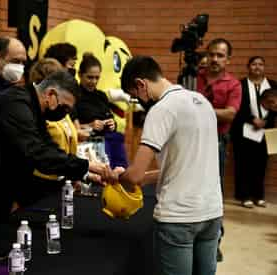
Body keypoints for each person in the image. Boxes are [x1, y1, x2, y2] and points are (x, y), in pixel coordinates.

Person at [107, 55, 223, 275]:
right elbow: (180, 167)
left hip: (178, 218)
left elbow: (134, 176)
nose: (139, 102)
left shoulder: (162, 110)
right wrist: (139, 177)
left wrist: (119, 176)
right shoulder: (202, 102)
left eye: (135, 96)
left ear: (141, 84)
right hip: (212, 213)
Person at [0, 71, 109, 220]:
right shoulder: (17, 104)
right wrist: (86, 166)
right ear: (51, 94)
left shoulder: (32, 106)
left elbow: (48, 146)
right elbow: (37, 153)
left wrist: (85, 172)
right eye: (64, 108)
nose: (64, 114)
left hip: (4, 186)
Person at [196, 38, 242, 262]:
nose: (215, 59)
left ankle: (214, 242)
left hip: (217, 142)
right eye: (212, 54)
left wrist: (198, 107)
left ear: (228, 60)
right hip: (192, 140)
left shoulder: (233, 84)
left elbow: (230, 114)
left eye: (220, 55)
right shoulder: (195, 78)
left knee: (214, 192)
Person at [231, 56, 277, 208]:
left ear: (264, 67)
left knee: (261, 164)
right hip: (245, 130)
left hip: (266, 130)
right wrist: (252, 119)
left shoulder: (272, 85)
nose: (257, 67)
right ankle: (244, 196)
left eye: (260, 64)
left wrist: (267, 119)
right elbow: (237, 107)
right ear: (248, 67)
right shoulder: (240, 84)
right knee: (243, 164)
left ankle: (258, 196)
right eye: (254, 64)